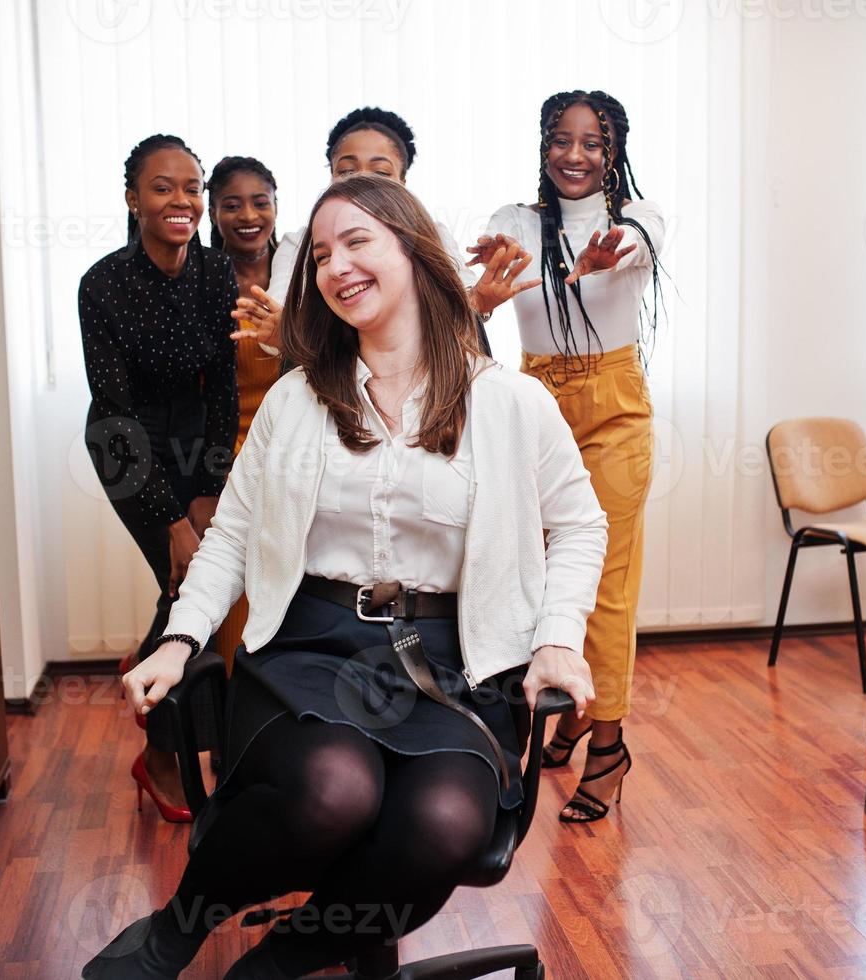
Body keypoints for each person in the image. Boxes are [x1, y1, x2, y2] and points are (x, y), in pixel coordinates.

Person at [82, 174, 607, 979]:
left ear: (413, 250)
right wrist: (179, 640)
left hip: (453, 660)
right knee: (335, 789)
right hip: (311, 646)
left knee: (444, 824)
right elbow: (231, 535)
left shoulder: (508, 401)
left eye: (358, 241)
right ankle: (176, 930)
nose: (335, 265)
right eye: (321, 253)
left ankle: (272, 966)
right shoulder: (298, 400)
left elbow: (579, 524)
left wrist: (558, 642)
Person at [476, 90, 666, 824]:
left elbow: (629, 252)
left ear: (613, 150)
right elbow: (494, 289)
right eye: (562, 140)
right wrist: (487, 288)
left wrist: (595, 258)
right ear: (543, 145)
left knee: (608, 586)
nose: (576, 155)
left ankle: (608, 743)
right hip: (533, 406)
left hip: (613, 407)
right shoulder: (513, 222)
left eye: (593, 141)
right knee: (539, 574)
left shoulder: (636, 221)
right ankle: (570, 707)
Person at [78, 134, 238, 823]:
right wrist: (174, 520)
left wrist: (207, 489)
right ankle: (165, 756)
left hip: (196, 439)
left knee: (193, 592)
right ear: (132, 199)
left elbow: (224, 389)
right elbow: (114, 411)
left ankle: (150, 672)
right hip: (126, 447)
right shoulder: (104, 283)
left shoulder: (215, 273)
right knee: (185, 585)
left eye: (191, 187)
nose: (182, 201)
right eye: (163, 187)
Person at [247, 106, 535, 352]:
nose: (362, 180)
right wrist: (283, 333)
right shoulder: (300, 243)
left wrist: (479, 303)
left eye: (381, 172)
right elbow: (275, 326)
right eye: (346, 170)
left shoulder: (430, 233)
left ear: (403, 182)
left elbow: (464, 305)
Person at [206, 155, 283, 669]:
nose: (248, 215)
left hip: (293, 451)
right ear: (213, 214)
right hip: (225, 457)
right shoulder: (202, 283)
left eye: (260, 202)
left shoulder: (303, 271)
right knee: (230, 596)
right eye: (231, 205)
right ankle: (234, 740)